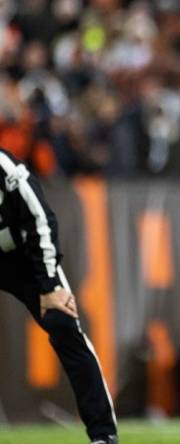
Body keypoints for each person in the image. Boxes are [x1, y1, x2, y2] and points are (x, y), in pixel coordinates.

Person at [0, 148, 118, 444]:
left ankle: (103, 434)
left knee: (63, 323)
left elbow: (39, 217)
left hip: (22, 256)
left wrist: (50, 283)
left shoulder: (3, 166)